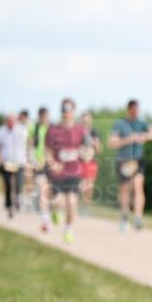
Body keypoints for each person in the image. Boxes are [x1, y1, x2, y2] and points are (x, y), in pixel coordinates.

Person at [108, 99, 152, 231]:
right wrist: (129, 139)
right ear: (129, 110)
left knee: (138, 186)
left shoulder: (141, 124)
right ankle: (124, 215)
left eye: (137, 110)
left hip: (138, 160)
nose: (136, 113)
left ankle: (138, 217)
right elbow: (112, 143)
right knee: (125, 190)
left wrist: (145, 136)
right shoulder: (120, 124)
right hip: (124, 160)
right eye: (134, 110)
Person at [45, 98, 88, 244]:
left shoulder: (81, 130)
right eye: (64, 110)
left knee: (71, 201)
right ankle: (55, 211)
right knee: (57, 201)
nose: (67, 114)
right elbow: (47, 151)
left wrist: (86, 154)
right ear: (61, 111)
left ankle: (68, 230)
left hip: (74, 172)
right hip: (58, 173)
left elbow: (90, 148)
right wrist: (53, 163)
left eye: (69, 111)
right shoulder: (53, 130)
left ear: (74, 111)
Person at [0, 113, 28, 218]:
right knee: (8, 183)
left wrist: (27, 158)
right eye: (9, 121)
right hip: (6, 161)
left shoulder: (22, 130)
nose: (10, 123)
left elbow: (27, 144)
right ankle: (8, 203)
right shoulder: (1, 131)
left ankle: (18, 200)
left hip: (19, 161)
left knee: (19, 183)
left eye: (12, 121)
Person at [31, 108, 53, 230]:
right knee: (43, 188)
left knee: (50, 190)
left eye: (46, 116)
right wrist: (32, 160)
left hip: (51, 163)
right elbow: (30, 144)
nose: (44, 118)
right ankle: (45, 219)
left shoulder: (53, 129)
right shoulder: (34, 129)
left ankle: (50, 210)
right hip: (39, 163)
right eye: (42, 116)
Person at [79, 111, 102, 210]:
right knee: (81, 185)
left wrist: (94, 143)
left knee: (90, 186)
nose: (85, 120)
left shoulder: (94, 132)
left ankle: (86, 207)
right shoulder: (78, 131)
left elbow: (99, 149)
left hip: (91, 161)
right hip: (80, 161)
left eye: (87, 118)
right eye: (84, 118)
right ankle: (80, 203)